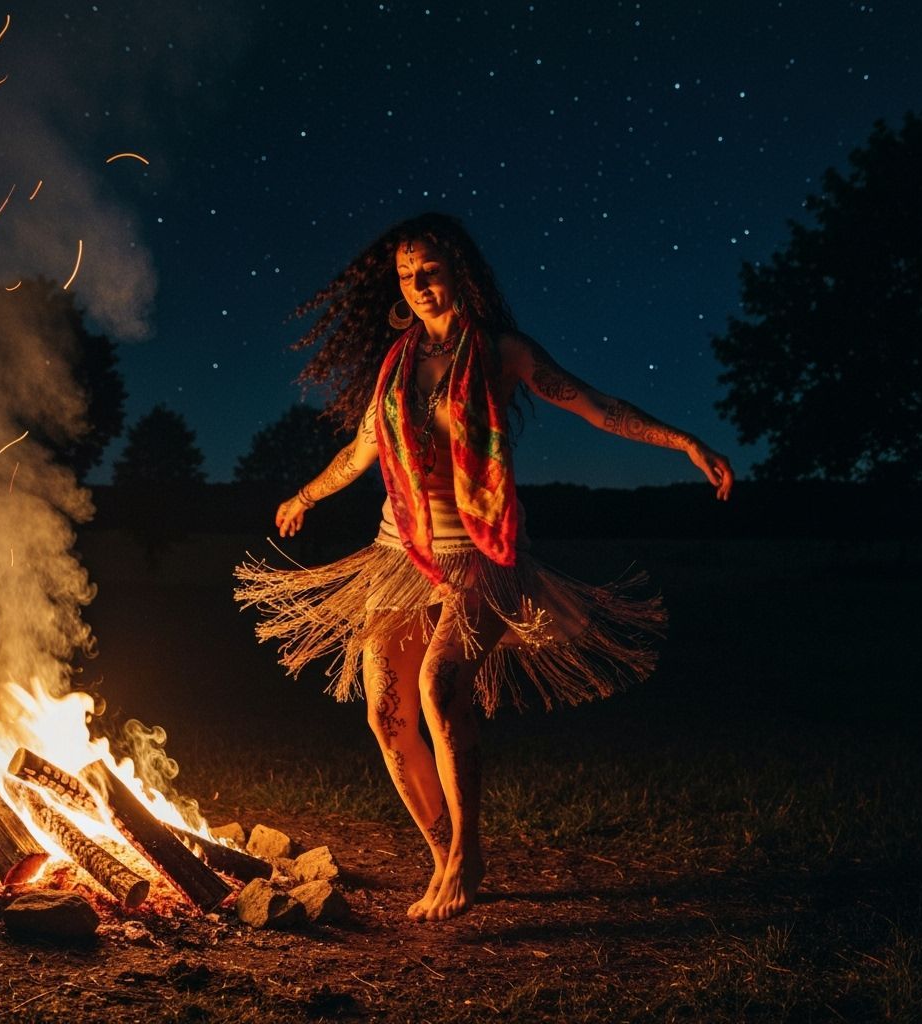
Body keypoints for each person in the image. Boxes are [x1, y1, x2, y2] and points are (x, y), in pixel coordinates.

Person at [236, 212, 733, 923]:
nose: (418, 286)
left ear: (460, 274)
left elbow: (596, 406)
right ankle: (442, 856)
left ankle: (469, 856)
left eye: (430, 272)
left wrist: (682, 441)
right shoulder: (396, 366)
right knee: (385, 714)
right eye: (406, 276)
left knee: (440, 687)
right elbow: (360, 450)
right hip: (400, 552)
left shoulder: (502, 353)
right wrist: (305, 496)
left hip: (481, 555)